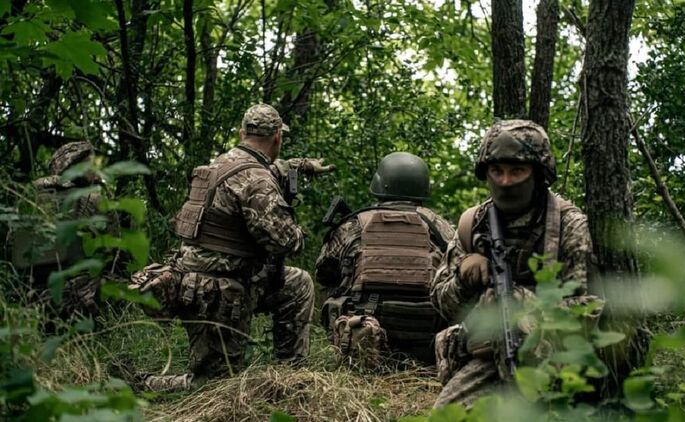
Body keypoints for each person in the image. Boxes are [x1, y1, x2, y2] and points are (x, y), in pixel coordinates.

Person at [129, 103, 334, 391]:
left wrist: (299, 165)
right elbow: (285, 242)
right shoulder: (258, 180)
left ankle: (289, 375)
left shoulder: (218, 165)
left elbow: (266, 170)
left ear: (242, 133)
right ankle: (145, 384)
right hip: (219, 293)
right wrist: (299, 231)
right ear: (278, 137)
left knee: (297, 283)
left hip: (202, 278)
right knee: (215, 388)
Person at [430, 120, 594, 407]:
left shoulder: (567, 225)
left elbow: (586, 310)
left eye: (517, 171)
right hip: (485, 356)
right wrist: (464, 278)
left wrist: (521, 303)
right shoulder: (473, 224)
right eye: (497, 171)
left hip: (555, 359)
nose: (505, 181)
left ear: (538, 174)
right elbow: (441, 304)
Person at [316, 152, 455, 367]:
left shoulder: (354, 224)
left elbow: (324, 272)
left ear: (380, 183)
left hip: (363, 329)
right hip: (425, 334)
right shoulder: (439, 225)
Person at [9, 141, 105, 321]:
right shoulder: (93, 199)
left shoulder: (29, 198)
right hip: (79, 297)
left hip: (30, 295)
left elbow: (10, 244)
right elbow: (115, 254)